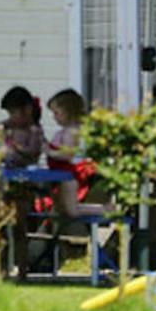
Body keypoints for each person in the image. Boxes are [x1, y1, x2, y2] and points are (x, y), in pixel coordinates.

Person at [45, 88, 106, 217]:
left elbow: (68, 154)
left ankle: (107, 210)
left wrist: (49, 152)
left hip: (69, 176)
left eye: (57, 113)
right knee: (60, 209)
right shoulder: (64, 131)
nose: (54, 117)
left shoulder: (71, 132)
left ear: (69, 112)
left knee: (72, 210)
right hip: (59, 176)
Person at [0, 85, 44, 168]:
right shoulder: (12, 122)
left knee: (6, 153)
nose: (11, 117)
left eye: (12, 112)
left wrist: (17, 147)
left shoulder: (34, 130)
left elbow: (33, 152)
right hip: (8, 163)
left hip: (25, 166)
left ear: (28, 109)